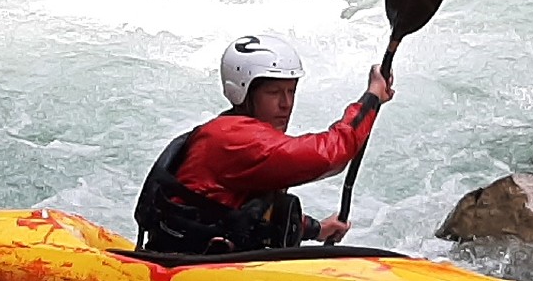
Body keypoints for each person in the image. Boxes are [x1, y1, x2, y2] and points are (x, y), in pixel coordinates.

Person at [135, 33, 394, 255]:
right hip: (188, 263)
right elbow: (330, 155)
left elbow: (237, 211)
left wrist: (315, 230)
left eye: (291, 91)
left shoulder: (239, 133)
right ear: (243, 92)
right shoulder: (234, 139)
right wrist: (372, 97)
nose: (286, 104)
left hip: (211, 258)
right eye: (274, 93)